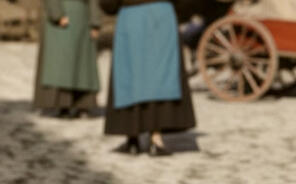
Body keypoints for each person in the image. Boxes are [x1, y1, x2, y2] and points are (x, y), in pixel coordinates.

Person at [101, 0, 195, 156]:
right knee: (158, 78)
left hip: (131, 18)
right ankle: (156, 140)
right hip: (161, 16)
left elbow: (108, 4)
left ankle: (132, 139)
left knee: (132, 79)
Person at [33, 0, 100, 116]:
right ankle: (63, 106)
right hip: (63, 18)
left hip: (83, 19)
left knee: (83, 67)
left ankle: (83, 105)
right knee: (62, 65)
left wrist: (95, 22)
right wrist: (57, 14)